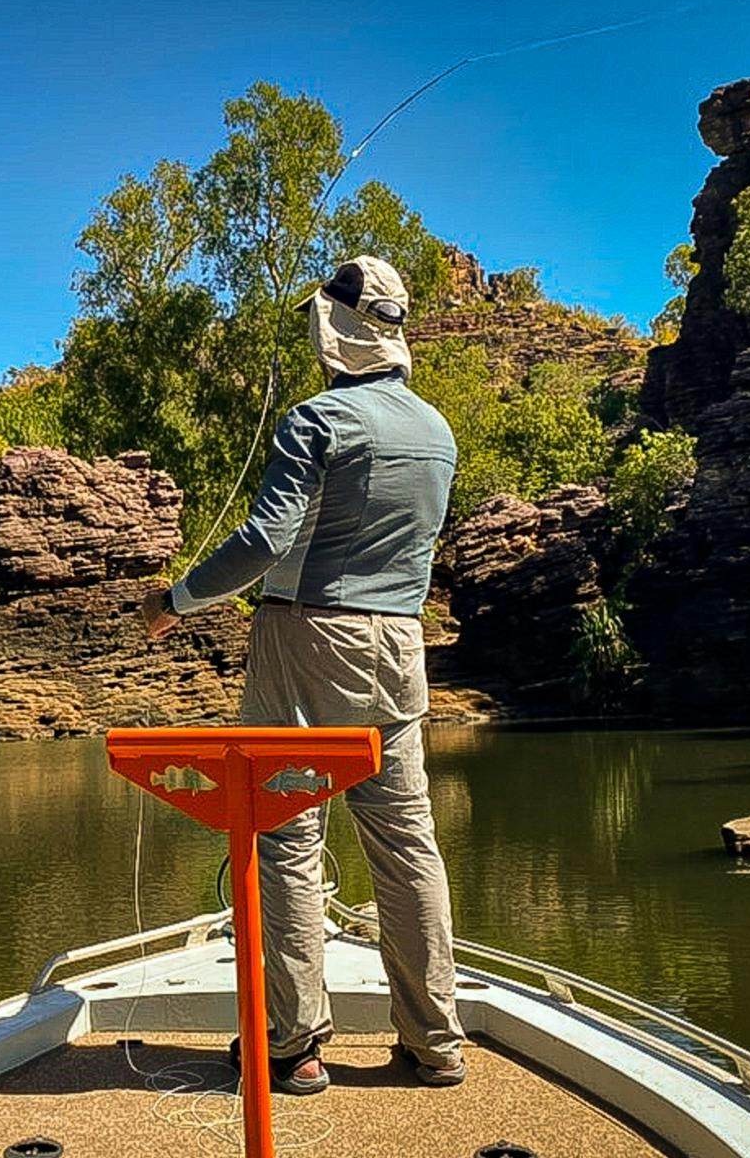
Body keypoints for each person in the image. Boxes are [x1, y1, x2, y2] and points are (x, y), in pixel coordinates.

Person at [139, 254, 468, 1094]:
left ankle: (294, 1046)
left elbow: (261, 544)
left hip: (303, 641)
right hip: (400, 646)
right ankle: (436, 1045)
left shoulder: (314, 423)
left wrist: (175, 600)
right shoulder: (437, 433)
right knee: (407, 846)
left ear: (337, 328)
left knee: (286, 834)